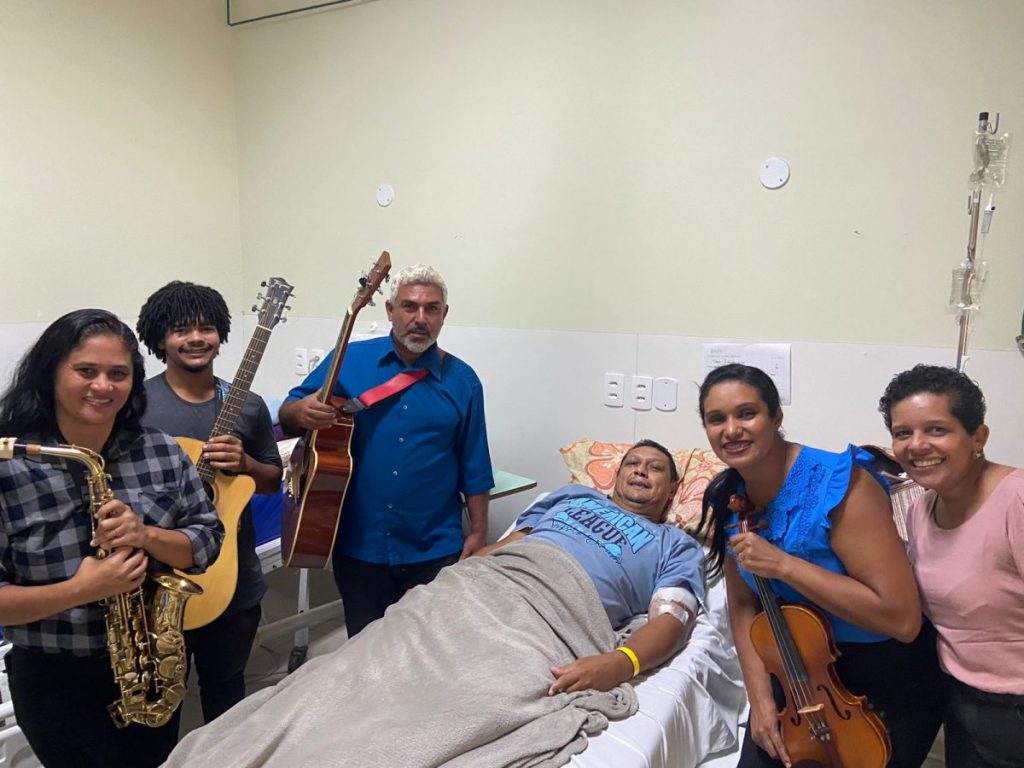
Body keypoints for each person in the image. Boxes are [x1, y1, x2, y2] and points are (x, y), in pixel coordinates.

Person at [162, 440, 703, 768]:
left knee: (463, 703)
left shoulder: (674, 545)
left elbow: (671, 624)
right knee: (360, 666)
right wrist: (459, 578)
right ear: (613, 474)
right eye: (632, 462)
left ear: (673, 487)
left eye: (655, 468)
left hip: (550, 617)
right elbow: (509, 544)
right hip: (482, 588)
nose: (640, 471)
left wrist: (618, 662)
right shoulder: (571, 497)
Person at [0, 309, 223, 768]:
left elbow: (207, 538)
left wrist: (146, 534)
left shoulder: (161, 449)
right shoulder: (10, 464)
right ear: (51, 373)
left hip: (152, 664)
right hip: (54, 676)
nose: (102, 387)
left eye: (117, 374)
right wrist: (84, 589)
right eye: (85, 370)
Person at [697, 363, 943, 768]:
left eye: (747, 413)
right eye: (716, 419)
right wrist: (759, 701)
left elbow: (902, 620)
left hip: (882, 676)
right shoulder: (730, 496)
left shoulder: (842, 484)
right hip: (796, 674)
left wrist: (785, 566)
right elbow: (743, 606)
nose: (731, 430)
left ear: (776, 417)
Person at [279, 263, 493, 636]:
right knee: (365, 650)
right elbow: (289, 413)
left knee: (428, 649)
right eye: (409, 307)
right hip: (360, 544)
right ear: (390, 311)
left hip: (434, 547)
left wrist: (478, 532)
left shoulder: (464, 381)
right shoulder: (348, 359)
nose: (420, 318)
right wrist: (302, 411)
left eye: (432, 309)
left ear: (444, 315)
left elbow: (474, 462)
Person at [136, 281, 283, 724]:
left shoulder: (248, 405)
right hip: (156, 582)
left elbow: (274, 482)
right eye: (181, 329)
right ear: (161, 338)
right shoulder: (135, 404)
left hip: (232, 579)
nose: (196, 338)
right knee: (159, 697)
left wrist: (248, 465)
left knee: (226, 689)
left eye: (206, 328)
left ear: (221, 334)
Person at [879, 364, 1024, 768]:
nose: (916, 445)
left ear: (978, 437)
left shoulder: (1015, 502)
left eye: (937, 430)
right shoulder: (922, 507)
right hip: (962, 702)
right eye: (902, 432)